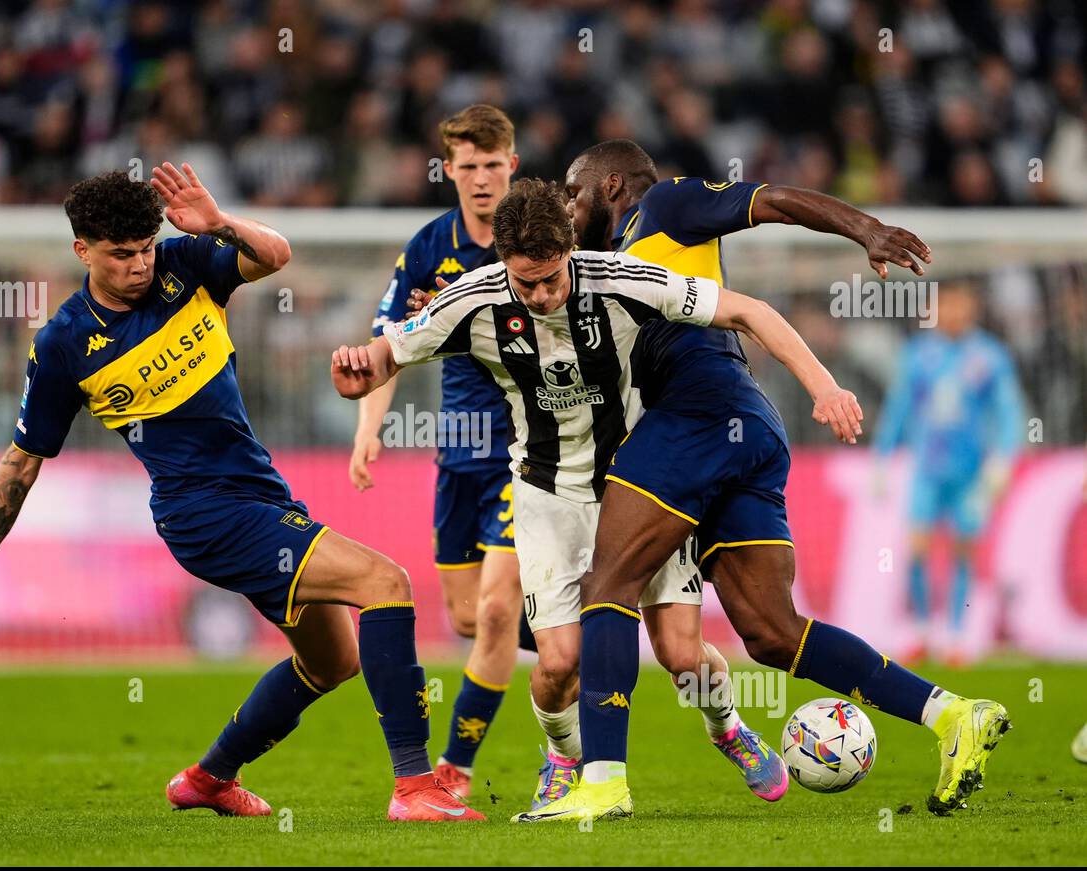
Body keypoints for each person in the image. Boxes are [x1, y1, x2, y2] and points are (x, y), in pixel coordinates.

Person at [0, 164, 482, 823]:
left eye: (145, 248)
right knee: (387, 582)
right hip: (203, 514)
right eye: (122, 254)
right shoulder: (66, 344)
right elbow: (20, 465)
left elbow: (275, 255)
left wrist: (217, 224)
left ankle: (210, 778)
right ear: (83, 252)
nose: (138, 265)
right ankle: (415, 787)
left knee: (333, 661)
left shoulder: (185, 265)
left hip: (260, 493)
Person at [333, 178, 865, 819]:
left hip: (640, 490)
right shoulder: (468, 302)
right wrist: (356, 369)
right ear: (503, 264)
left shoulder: (619, 279)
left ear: (570, 254)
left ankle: (727, 729)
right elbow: (383, 355)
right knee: (558, 663)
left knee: (680, 654)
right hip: (545, 497)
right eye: (525, 284)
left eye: (552, 279)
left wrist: (823, 386)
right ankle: (563, 759)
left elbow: (750, 312)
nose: (540, 295)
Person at [506, 183, 1010, 822]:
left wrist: (863, 230)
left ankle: (603, 783)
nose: (569, 206)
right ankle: (952, 714)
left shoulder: (662, 208)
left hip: (696, 414)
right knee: (772, 632)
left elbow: (772, 206)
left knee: (608, 583)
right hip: (748, 427)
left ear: (609, 186)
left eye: (577, 191)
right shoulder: (587, 273)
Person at [349, 105, 535, 801]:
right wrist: (369, 427)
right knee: (465, 619)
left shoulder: (542, 238)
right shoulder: (430, 247)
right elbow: (384, 348)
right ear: (448, 169)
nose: (482, 178)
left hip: (532, 452)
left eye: (494, 165)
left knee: (493, 613)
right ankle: (579, 649)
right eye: (469, 166)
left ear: (512, 165)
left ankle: (454, 768)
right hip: (459, 453)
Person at [873, 282, 1025, 664]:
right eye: (946, 305)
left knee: (963, 550)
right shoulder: (918, 354)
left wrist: (1003, 458)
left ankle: (957, 638)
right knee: (918, 549)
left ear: (971, 308)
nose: (953, 313)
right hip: (927, 470)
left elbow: (1009, 412)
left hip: (969, 473)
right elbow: (899, 408)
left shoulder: (989, 356)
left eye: (960, 305)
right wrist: (882, 458)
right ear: (933, 308)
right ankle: (923, 632)